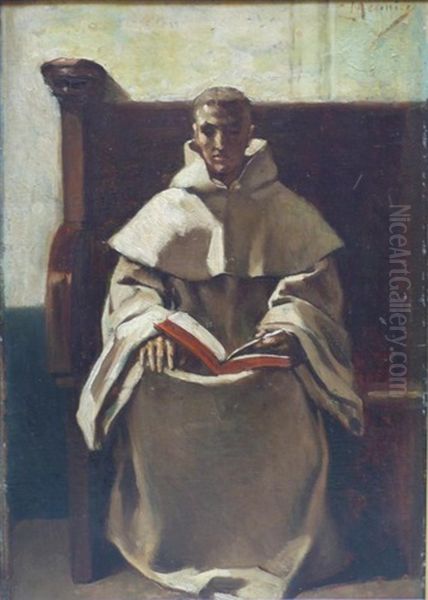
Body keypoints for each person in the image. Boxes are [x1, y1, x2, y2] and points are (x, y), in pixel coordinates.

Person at [77, 87, 363, 599]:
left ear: (250, 134)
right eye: (209, 130)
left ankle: (276, 550)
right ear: (194, 134)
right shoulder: (167, 208)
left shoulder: (287, 208)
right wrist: (152, 329)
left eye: (232, 130)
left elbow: (312, 292)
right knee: (153, 391)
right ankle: (173, 547)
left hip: (262, 362)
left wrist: (287, 329)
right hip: (184, 361)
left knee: (286, 398)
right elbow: (132, 290)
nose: (220, 142)